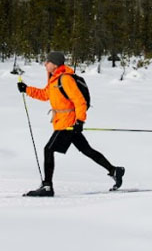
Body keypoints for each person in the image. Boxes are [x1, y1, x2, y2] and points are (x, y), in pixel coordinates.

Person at [17, 51, 124, 197]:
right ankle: (114, 171)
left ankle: (47, 186)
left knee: (48, 149)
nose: (45, 64)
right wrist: (26, 89)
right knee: (86, 150)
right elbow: (45, 95)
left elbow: (80, 101)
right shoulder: (54, 79)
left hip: (68, 123)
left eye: (47, 62)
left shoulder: (65, 79)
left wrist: (80, 121)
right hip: (63, 122)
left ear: (54, 64)